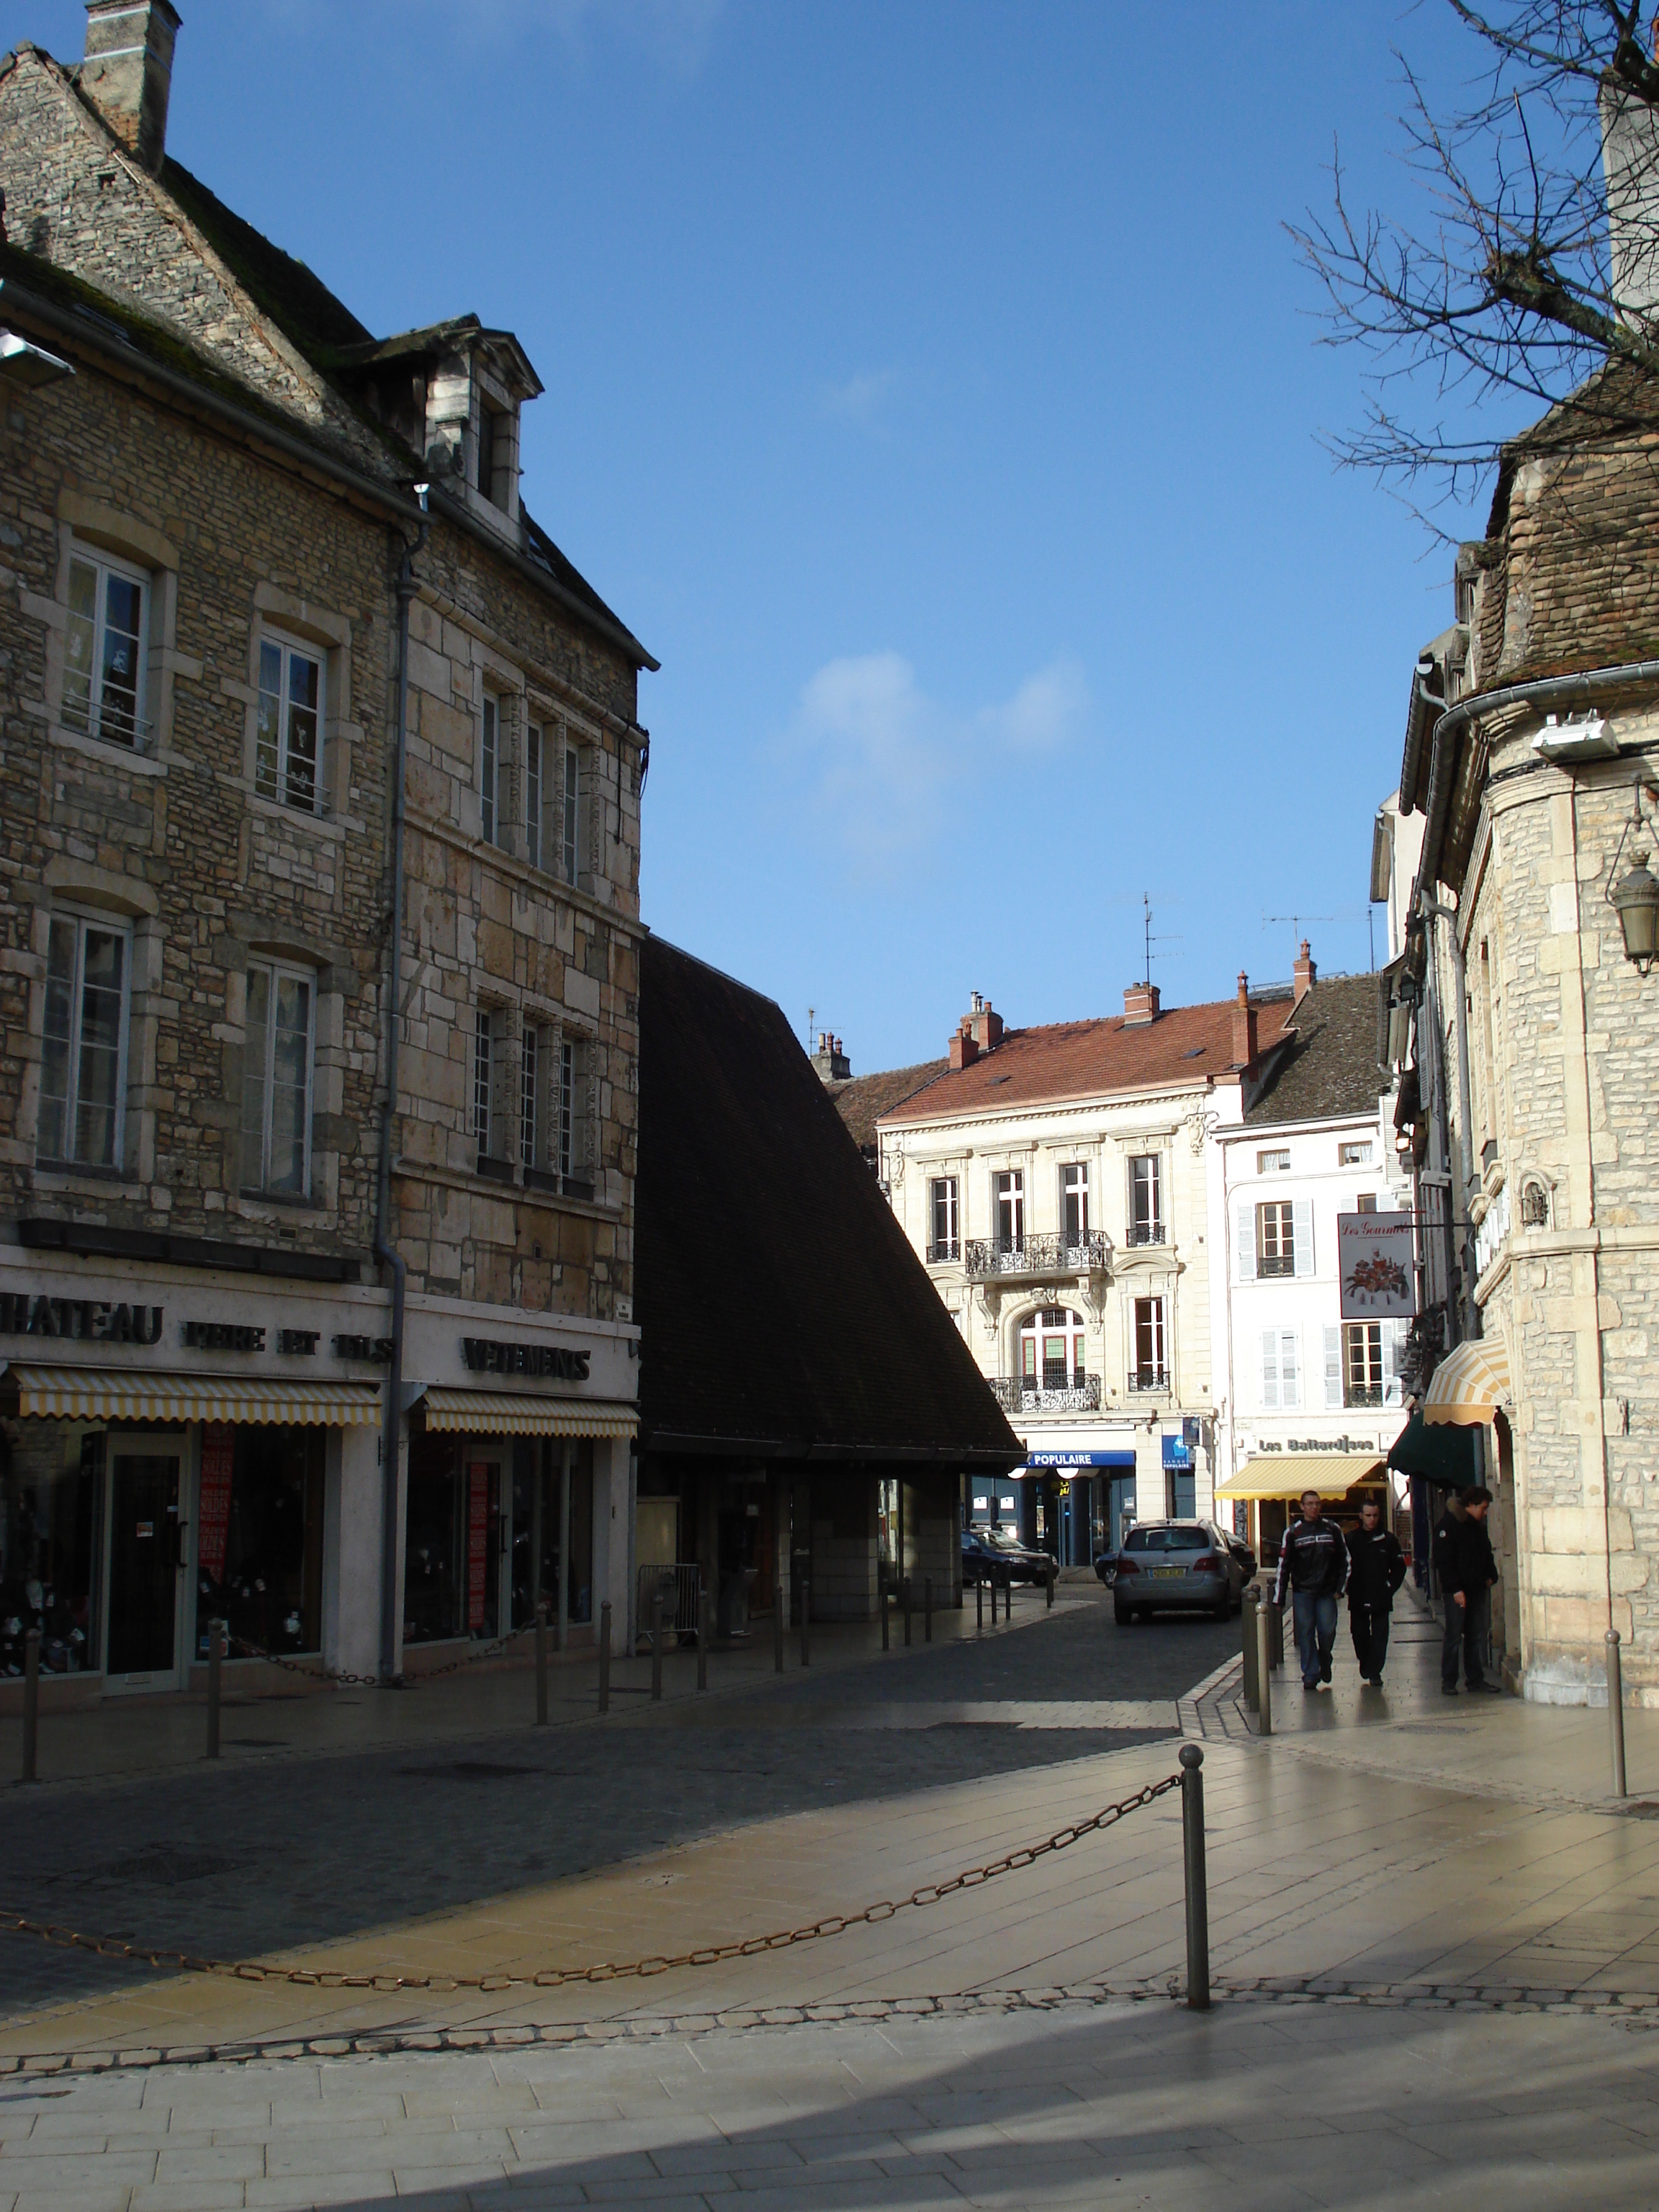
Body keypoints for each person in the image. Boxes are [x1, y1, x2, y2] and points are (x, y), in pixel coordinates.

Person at [1273, 1488, 1349, 1690]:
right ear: (1302, 1507)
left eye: (1317, 1504)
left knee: (1327, 1631)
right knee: (1305, 1632)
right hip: (1303, 1591)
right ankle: (1310, 1673)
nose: (1314, 1507)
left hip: (1327, 1591)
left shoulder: (1332, 1529)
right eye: (1310, 1504)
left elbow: (1344, 1560)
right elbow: (1284, 1565)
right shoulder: (1293, 1533)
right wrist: (1279, 1599)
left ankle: (1325, 1659)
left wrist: (1340, 1587)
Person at [1434, 1484, 1501, 1694]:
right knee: (1454, 1636)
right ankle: (1449, 1681)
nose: (1485, 1512)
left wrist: (1491, 1576)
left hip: (1477, 1589)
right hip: (1458, 1592)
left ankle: (1475, 1679)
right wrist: (1454, 1589)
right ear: (1471, 1505)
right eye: (1483, 1507)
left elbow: (1485, 1552)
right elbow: (1444, 1561)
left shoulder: (1477, 1527)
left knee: (1475, 1636)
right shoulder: (1449, 1525)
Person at [1346, 1494, 1406, 1688]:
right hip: (1358, 1595)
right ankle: (1366, 1663)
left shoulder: (1388, 1540)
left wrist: (1390, 1587)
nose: (1372, 1519)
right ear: (1361, 1516)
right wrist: (1345, 1586)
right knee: (1359, 1634)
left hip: (1381, 1595)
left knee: (1380, 1637)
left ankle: (1375, 1672)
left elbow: (1399, 1567)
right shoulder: (1351, 1540)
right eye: (1368, 1515)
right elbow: (1341, 1564)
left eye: (1375, 1515)